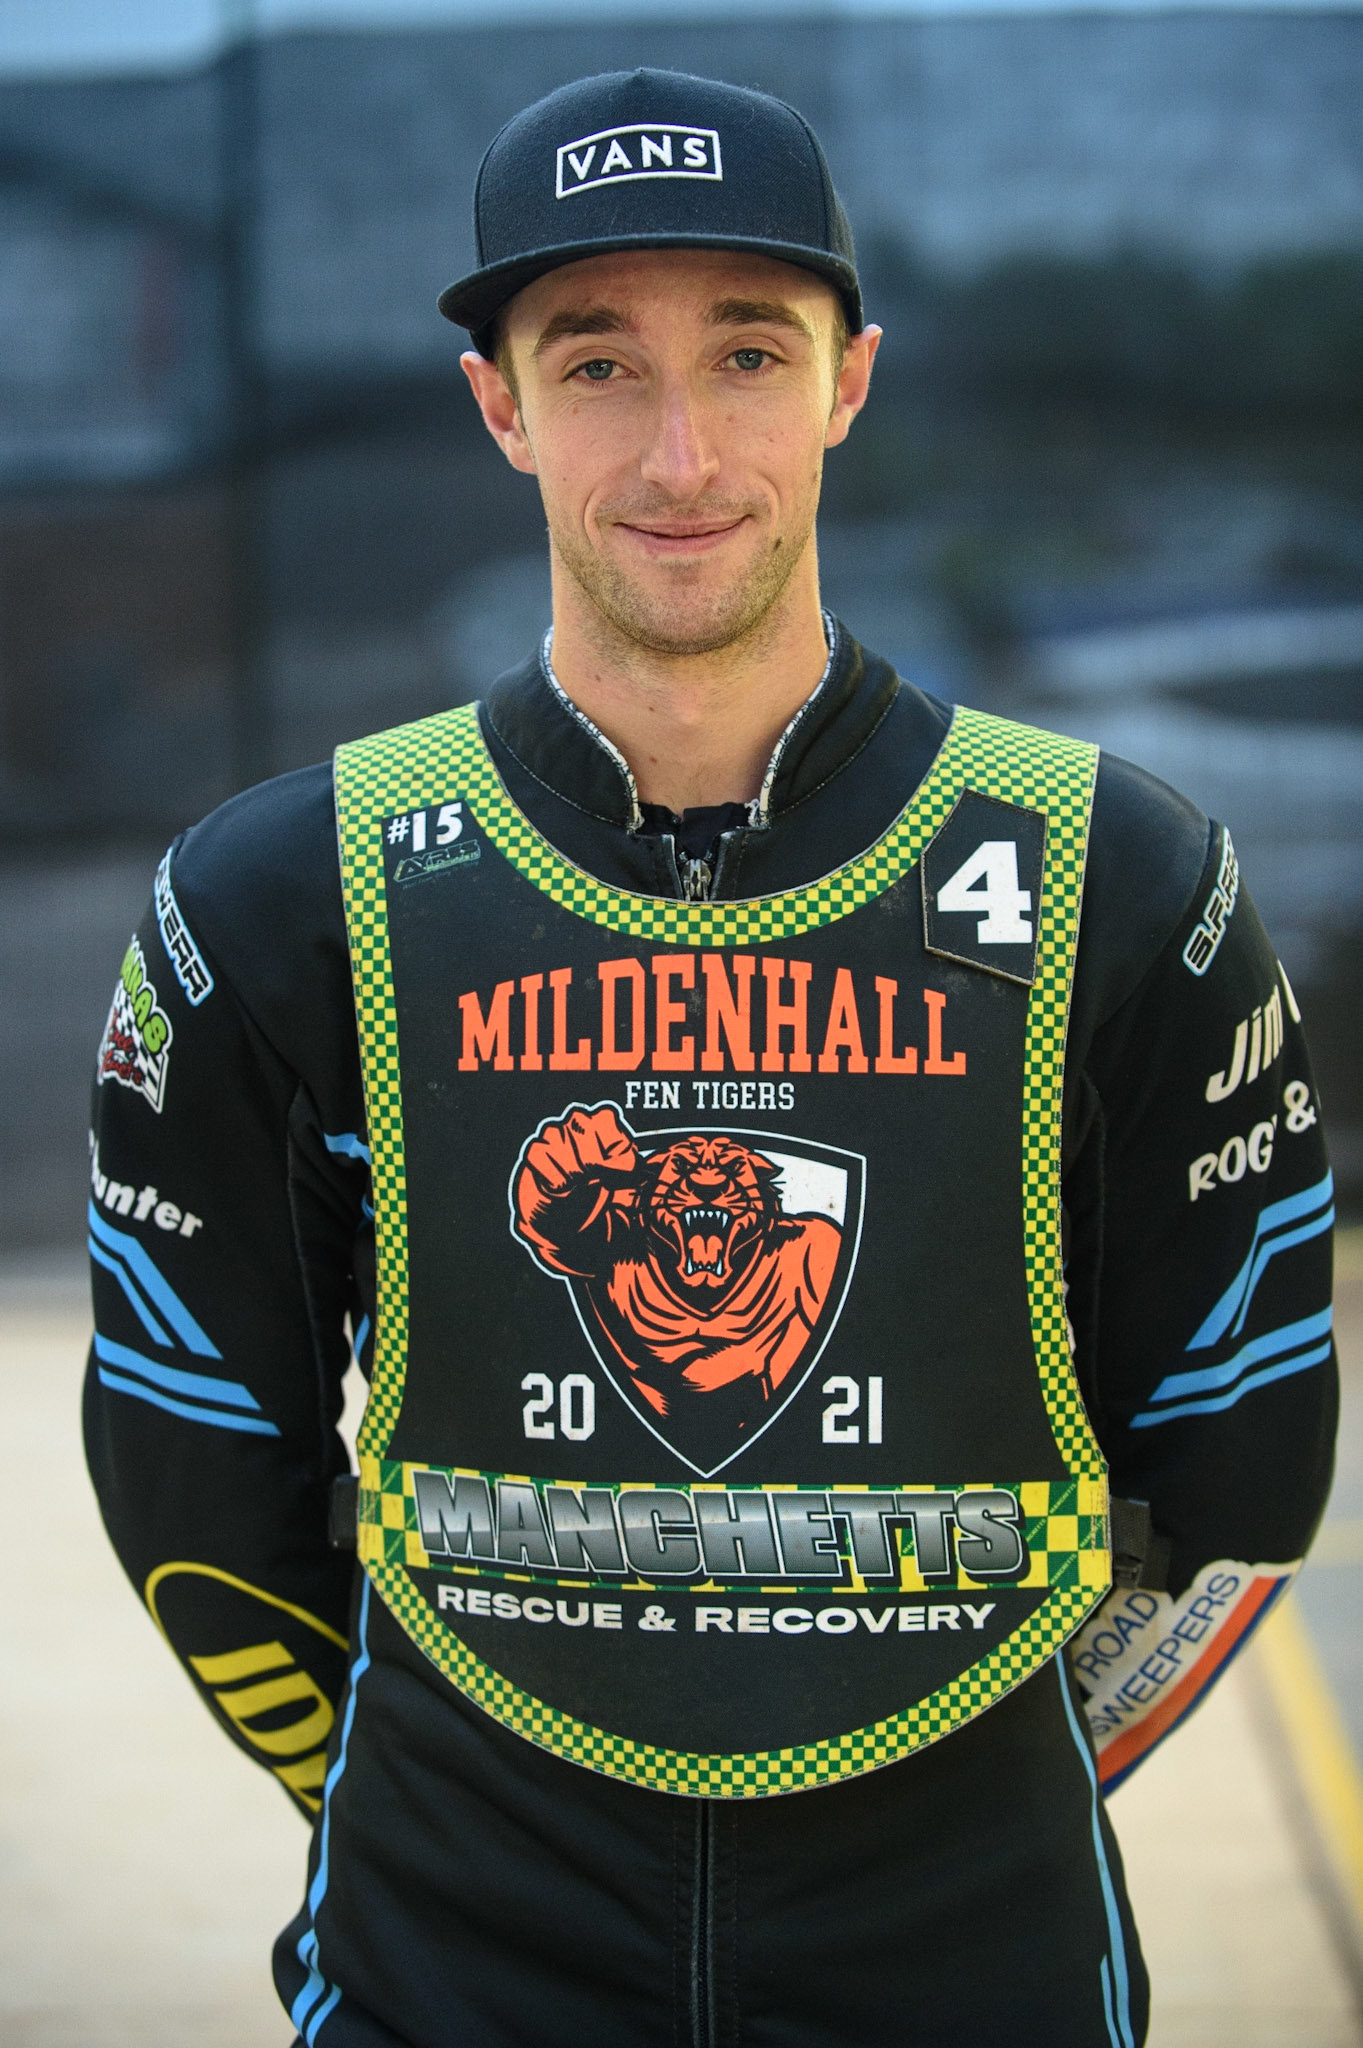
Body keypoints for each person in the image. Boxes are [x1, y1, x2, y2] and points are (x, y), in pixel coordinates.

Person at [84, 69, 1336, 2048]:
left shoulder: (1124, 872)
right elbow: (187, 1475)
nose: (679, 451)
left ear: (847, 380)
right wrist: (417, 1789)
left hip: (977, 1972)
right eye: (595, 363)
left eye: (746, 352)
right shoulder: (279, 892)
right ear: (498, 403)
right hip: (446, 1968)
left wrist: (975, 1775)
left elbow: (1246, 1454)